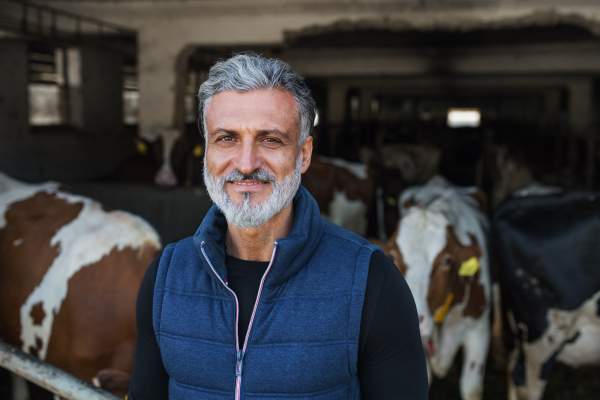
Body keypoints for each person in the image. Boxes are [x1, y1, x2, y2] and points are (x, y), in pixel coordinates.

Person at [128, 53, 428, 400]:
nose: (245, 163)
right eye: (227, 138)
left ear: (303, 154)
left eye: (270, 139)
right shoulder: (165, 279)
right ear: (206, 150)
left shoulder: (372, 282)